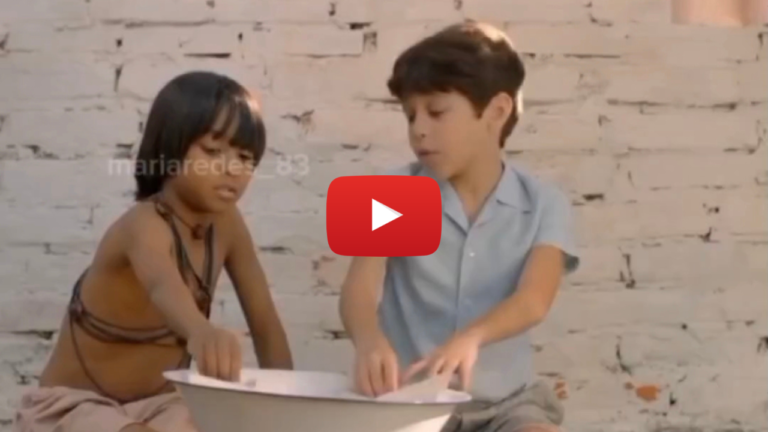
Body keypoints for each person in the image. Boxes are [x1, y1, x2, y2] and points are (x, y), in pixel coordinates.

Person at [14, 71, 294, 432]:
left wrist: (288, 404)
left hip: (161, 406)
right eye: (212, 151)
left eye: (245, 156)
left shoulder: (227, 225)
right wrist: (201, 331)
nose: (232, 168)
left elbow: (265, 322)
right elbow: (164, 285)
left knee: (216, 421)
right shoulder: (143, 224)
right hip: (75, 405)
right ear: (169, 151)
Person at [339, 21, 580, 432]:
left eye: (436, 112)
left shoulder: (541, 203)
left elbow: (534, 300)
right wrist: (368, 339)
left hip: (507, 404)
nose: (419, 129)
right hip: (410, 403)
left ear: (497, 112)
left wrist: (472, 337)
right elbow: (358, 291)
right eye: (410, 115)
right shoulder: (394, 193)